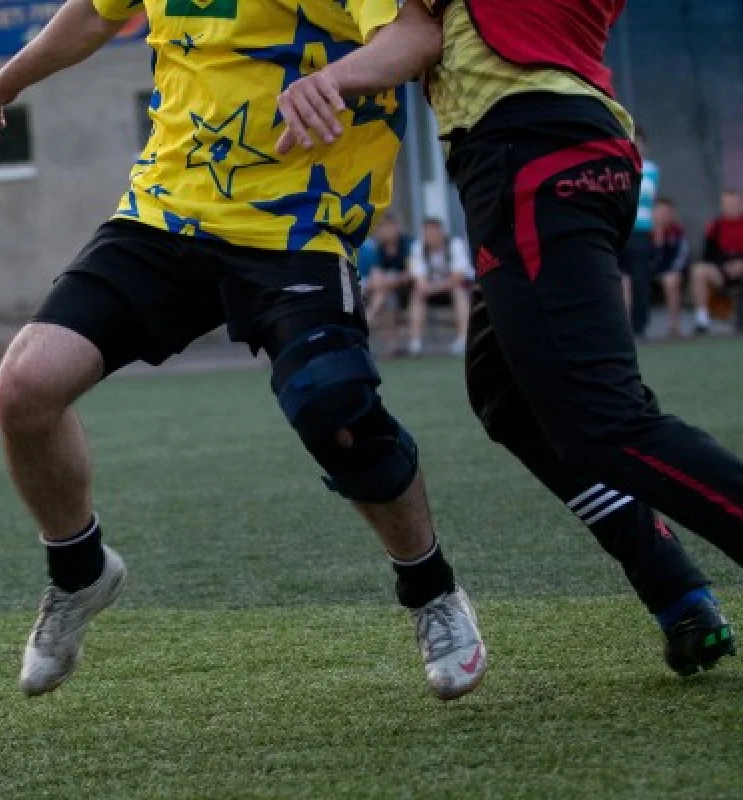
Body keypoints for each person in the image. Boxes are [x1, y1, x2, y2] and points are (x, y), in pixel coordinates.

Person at [0, 0, 488, 701]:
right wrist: (4, 84)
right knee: (25, 386)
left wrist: (337, 79)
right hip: (165, 213)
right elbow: (93, 14)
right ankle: (79, 571)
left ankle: (431, 591)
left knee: (336, 408)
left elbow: (416, 34)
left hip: (298, 222)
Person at [276, 0, 739, 674]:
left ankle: (677, 589)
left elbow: (417, 34)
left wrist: (329, 78)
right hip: (558, 143)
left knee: (607, 422)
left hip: (531, 150)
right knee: (507, 395)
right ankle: (677, 592)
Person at [407, 217, 472, 356]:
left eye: (433, 231)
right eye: (427, 232)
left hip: (452, 290)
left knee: (459, 292)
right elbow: (418, 279)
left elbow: (457, 278)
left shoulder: (455, 245)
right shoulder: (418, 247)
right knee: (416, 294)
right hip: (430, 291)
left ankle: (463, 340)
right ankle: (415, 343)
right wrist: (426, 287)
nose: (430, 235)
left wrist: (432, 288)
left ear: (441, 232)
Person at [620, 130, 659, 336]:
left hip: (641, 232)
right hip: (620, 231)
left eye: (640, 142)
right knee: (619, 279)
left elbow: (650, 198)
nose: (636, 146)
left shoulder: (651, 169)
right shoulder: (617, 166)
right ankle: (621, 325)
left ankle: (640, 325)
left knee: (640, 279)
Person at [692, 189, 743, 334]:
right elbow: (707, 255)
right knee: (699, 271)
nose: (731, 207)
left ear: (741, 205)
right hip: (722, 271)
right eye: (727, 204)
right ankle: (702, 320)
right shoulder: (715, 226)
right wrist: (726, 266)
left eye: (734, 203)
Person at [364, 214, 415, 344]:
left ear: (395, 227)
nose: (383, 230)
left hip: (409, 289)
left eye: (386, 226)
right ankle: (390, 342)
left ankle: (364, 324)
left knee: (383, 292)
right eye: (380, 227)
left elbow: (411, 274)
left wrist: (389, 281)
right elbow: (376, 275)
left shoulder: (407, 244)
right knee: (385, 296)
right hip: (388, 290)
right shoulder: (379, 248)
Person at [650, 198, 691, 338]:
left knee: (670, 280)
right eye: (659, 212)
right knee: (625, 280)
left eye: (666, 212)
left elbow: (682, 258)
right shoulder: (643, 232)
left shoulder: (678, 232)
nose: (662, 216)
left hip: (670, 273)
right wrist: (657, 244)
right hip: (645, 275)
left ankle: (674, 327)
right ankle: (629, 328)